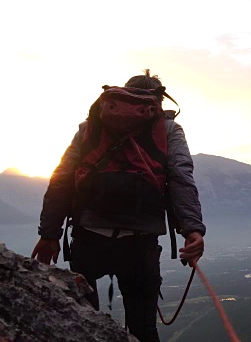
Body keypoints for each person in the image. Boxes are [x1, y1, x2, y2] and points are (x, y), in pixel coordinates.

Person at [31, 70, 206, 342]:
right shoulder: (169, 129)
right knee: (143, 329)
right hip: (139, 243)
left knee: (82, 324)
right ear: (157, 102)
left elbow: (63, 176)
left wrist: (49, 233)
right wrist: (192, 229)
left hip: (89, 238)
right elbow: (181, 177)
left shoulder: (91, 126)